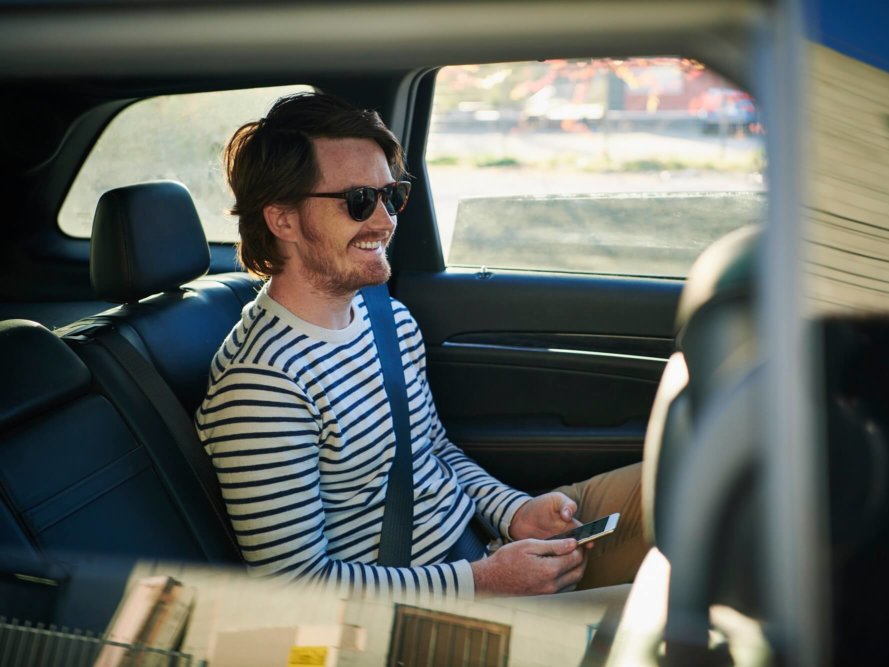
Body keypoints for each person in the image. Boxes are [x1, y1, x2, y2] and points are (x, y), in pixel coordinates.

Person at [196, 92, 646, 599]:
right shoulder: (262, 386)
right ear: (282, 220)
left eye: (392, 195)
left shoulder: (385, 316)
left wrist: (513, 511)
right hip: (433, 610)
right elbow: (298, 585)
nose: (386, 221)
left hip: (485, 549)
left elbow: (431, 450)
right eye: (359, 201)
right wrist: (486, 583)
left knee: (704, 482)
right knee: (695, 606)